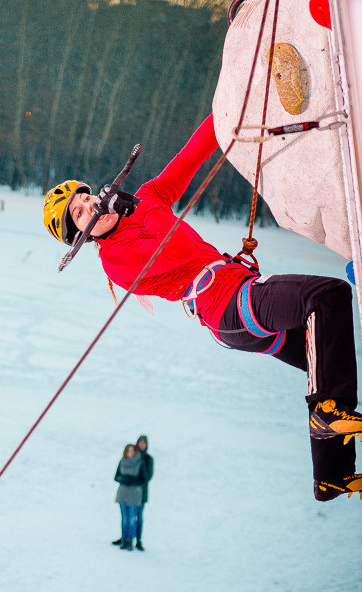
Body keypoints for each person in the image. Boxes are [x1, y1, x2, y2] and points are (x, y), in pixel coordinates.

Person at [44, 114, 362, 502]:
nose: (91, 205)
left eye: (86, 197)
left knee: (326, 355)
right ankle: (327, 414)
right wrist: (139, 209)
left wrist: (230, 107)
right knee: (326, 296)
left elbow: (192, 155)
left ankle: (331, 475)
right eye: (80, 213)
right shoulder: (115, 258)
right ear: (80, 236)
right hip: (226, 306)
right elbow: (178, 250)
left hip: (235, 294)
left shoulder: (146, 196)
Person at [112, 444, 149, 551]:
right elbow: (116, 476)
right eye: (128, 451)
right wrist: (122, 479)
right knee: (124, 519)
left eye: (133, 451)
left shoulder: (140, 463)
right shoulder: (122, 461)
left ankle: (130, 540)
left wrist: (131, 480)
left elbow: (144, 479)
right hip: (122, 494)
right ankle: (124, 539)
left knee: (132, 519)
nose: (130, 453)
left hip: (134, 494)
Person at [133, 435, 154, 550]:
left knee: (139, 517)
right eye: (140, 443)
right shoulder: (132, 456)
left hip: (141, 492)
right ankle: (126, 537)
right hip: (130, 492)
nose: (141, 445)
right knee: (129, 517)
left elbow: (148, 476)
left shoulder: (148, 459)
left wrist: (136, 481)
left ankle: (138, 540)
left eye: (143, 443)